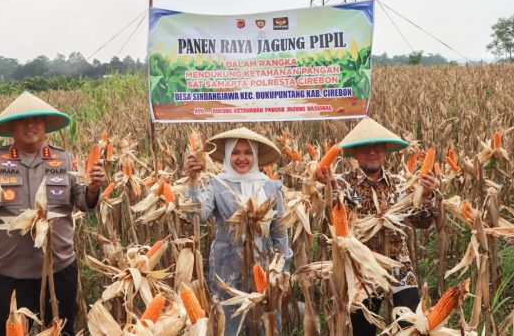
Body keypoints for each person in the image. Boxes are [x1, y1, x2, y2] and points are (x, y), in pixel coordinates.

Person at [0, 91, 105, 336]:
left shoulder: (64, 158)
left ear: (45, 125)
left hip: (58, 269)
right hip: (8, 273)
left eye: (36, 120)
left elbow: (82, 201)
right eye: (22, 120)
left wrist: (93, 188)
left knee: (62, 330)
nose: (30, 125)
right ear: (12, 127)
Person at [314, 117, 440, 336]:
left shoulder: (401, 184)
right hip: (361, 269)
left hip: (399, 266)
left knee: (412, 326)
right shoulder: (341, 183)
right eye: (365, 148)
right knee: (362, 329)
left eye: (378, 147)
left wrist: (427, 195)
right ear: (355, 153)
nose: (372, 152)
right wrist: (326, 189)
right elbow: (330, 220)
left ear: (385, 152)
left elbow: (422, 222)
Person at [185, 127, 292, 335]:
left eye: (248, 152)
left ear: (256, 155)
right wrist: (193, 180)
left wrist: (283, 267)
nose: (242, 158)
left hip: (264, 267)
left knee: (266, 320)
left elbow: (279, 231)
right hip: (226, 269)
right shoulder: (216, 184)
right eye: (235, 152)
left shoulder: (271, 187)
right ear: (227, 155)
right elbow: (197, 215)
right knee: (228, 321)